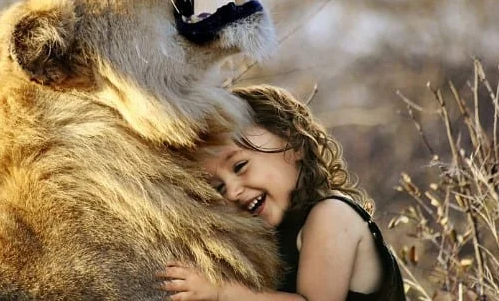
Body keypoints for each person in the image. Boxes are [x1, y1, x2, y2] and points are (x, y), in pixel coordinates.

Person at [158, 85, 405, 300]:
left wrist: (223, 292)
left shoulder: (332, 215)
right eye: (218, 187)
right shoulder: (278, 237)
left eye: (240, 166)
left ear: (292, 142)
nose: (232, 191)